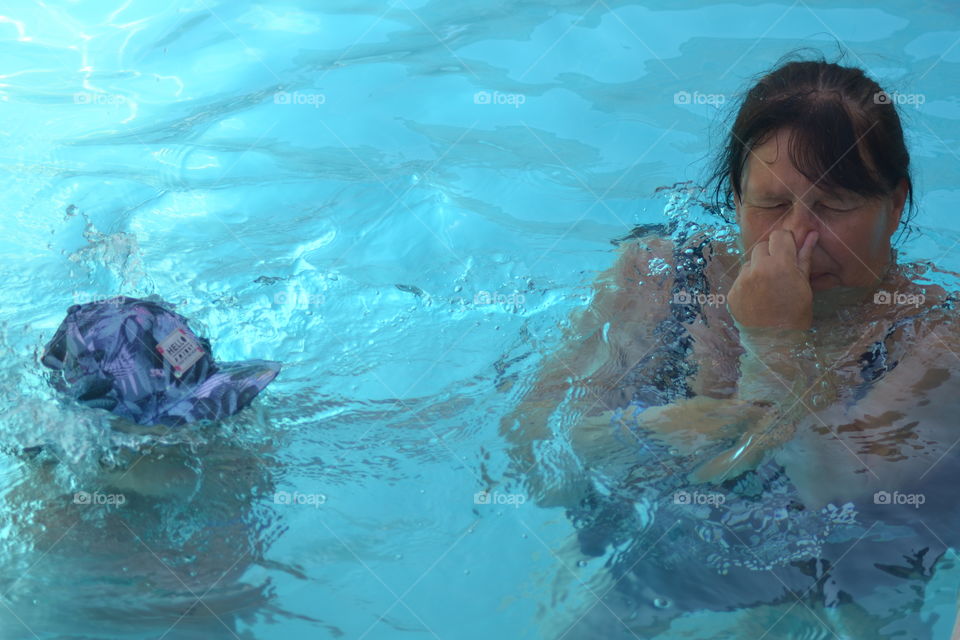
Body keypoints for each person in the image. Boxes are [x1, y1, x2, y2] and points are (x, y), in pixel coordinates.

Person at [500, 53, 960, 637]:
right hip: (651, 563)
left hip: (841, 590)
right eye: (770, 205)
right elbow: (535, 459)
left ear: (895, 205)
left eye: (834, 207)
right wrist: (640, 432)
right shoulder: (661, 278)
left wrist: (772, 341)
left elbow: (838, 496)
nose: (798, 237)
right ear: (736, 198)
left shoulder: (934, 337)